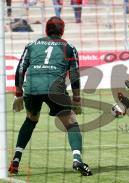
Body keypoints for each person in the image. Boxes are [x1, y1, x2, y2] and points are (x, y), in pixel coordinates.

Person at [8, 16, 92, 176]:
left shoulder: (31, 45)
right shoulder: (69, 47)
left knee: (31, 120)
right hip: (55, 89)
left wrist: (18, 94)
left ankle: (16, 161)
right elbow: (74, 75)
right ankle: (77, 160)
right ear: (62, 30)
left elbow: (20, 69)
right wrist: (77, 100)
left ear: (46, 29)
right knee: (71, 123)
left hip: (32, 88)